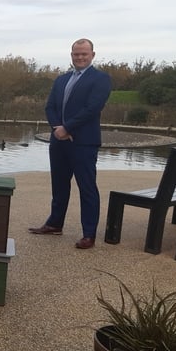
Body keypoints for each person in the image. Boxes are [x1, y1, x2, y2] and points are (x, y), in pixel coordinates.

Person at [29, 38, 112, 249]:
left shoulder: (100, 79)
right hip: (59, 142)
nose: (80, 57)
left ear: (92, 55)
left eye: (84, 54)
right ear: (71, 55)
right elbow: (50, 107)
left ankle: (89, 234)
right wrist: (58, 128)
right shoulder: (61, 79)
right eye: (76, 54)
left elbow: (92, 108)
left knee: (87, 188)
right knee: (59, 185)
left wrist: (68, 128)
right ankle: (55, 224)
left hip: (84, 143)